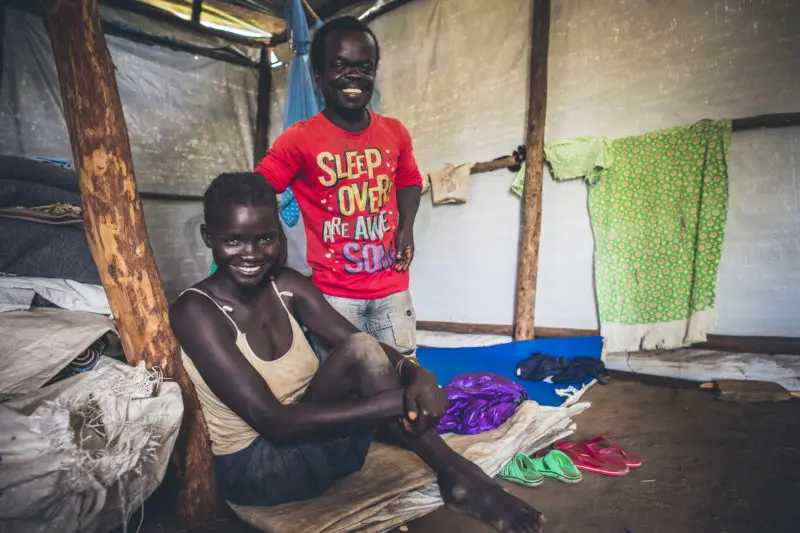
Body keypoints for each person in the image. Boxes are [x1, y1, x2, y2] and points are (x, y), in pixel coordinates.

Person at [170, 173, 544, 533]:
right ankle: (461, 476)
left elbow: (357, 342)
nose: (251, 254)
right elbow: (275, 422)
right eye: (233, 240)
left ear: (278, 235)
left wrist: (416, 374)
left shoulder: (285, 285)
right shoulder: (196, 311)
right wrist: (398, 402)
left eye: (264, 239)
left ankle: (457, 475)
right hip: (261, 470)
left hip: (316, 441)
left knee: (361, 348)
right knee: (376, 378)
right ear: (209, 237)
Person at [255, 16, 421, 355]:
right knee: (343, 385)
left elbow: (408, 180)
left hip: (392, 291)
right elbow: (257, 189)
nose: (354, 75)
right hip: (333, 296)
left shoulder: (395, 132)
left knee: (403, 381)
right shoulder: (299, 139)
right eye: (340, 65)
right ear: (318, 77)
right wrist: (273, 247)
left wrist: (406, 228)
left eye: (364, 66)